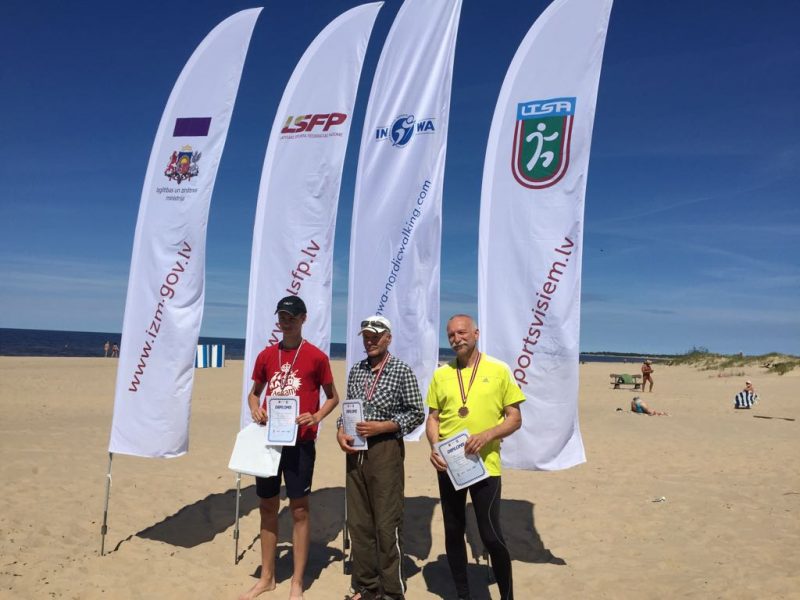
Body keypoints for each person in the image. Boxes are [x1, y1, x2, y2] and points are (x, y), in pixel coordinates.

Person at [241, 295, 339, 600]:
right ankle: (267, 578)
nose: (286, 322)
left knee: (299, 510)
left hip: (301, 443)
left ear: (303, 319)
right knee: (267, 506)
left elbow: (333, 397)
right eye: (282, 317)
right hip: (270, 442)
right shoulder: (266, 355)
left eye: (292, 317)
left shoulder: (316, 357)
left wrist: (317, 416)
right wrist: (255, 408)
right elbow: (254, 394)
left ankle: (297, 581)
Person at [425, 314, 524, 600]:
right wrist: (434, 446)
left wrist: (488, 435)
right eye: (451, 335)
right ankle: (463, 594)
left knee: (491, 534)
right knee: (453, 530)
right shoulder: (441, 374)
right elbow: (433, 418)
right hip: (450, 466)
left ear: (476, 334)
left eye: (462, 333)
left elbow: (515, 418)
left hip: (486, 467)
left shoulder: (499, 369)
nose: (456, 339)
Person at [336, 315, 424, 600]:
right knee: (359, 523)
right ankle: (367, 586)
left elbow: (416, 413)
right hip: (355, 452)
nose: (370, 341)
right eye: (366, 336)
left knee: (386, 525)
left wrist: (384, 426)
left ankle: (392, 591)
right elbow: (348, 409)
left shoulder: (401, 370)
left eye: (376, 336)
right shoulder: (357, 370)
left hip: (385, 449)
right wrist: (340, 431)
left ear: (388, 338)